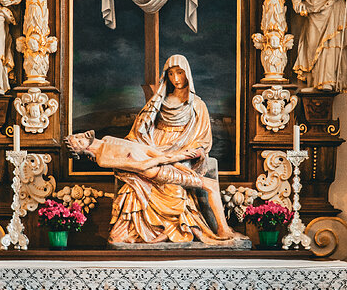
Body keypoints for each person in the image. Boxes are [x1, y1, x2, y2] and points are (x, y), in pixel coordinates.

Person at [69, 55, 244, 246]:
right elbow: (137, 137)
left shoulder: (197, 106)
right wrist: (159, 153)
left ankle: (216, 228)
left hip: (180, 152)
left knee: (182, 181)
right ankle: (163, 230)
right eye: (171, 74)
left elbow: (202, 139)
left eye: (179, 73)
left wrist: (186, 153)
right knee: (141, 187)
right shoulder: (158, 102)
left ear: (187, 74)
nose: (176, 78)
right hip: (153, 151)